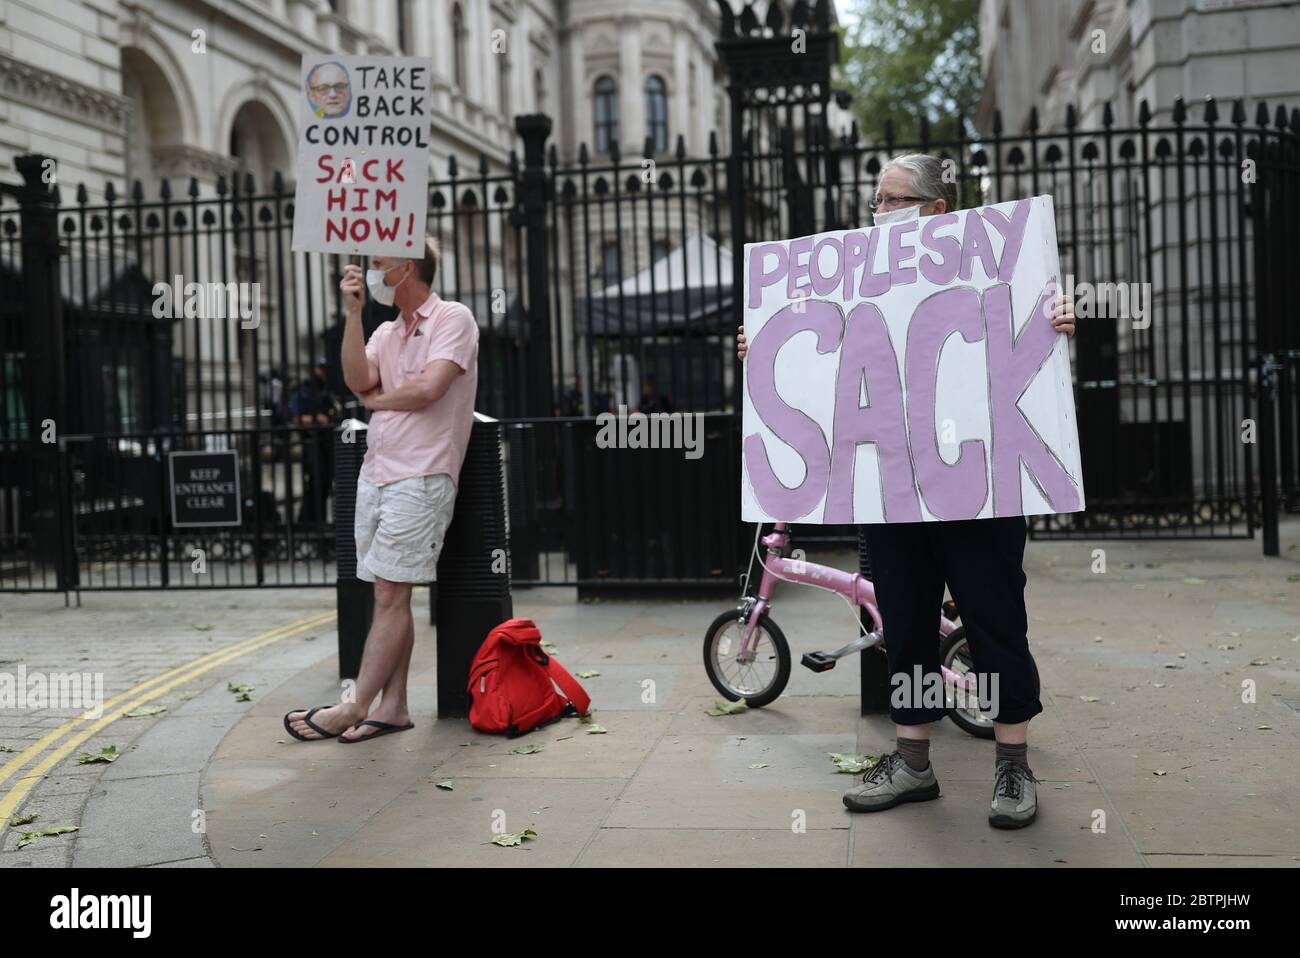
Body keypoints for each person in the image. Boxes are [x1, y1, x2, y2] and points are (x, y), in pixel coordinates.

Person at [735, 153, 1077, 829]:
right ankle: (912, 761)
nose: (880, 212)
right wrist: (766, 339)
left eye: (894, 200)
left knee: (994, 620)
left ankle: (1013, 767)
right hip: (892, 485)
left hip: (977, 488)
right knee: (905, 624)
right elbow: (820, 355)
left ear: (936, 211)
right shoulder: (862, 280)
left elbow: (1023, 359)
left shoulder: (994, 273)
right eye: (877, 202)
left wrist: (1056, 319)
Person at [285, 237, 479, 743]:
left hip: (423, 474)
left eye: (376, 265)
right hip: (377, 472)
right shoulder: (386, 332)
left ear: (406, 268)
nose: (369, 274)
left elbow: (430, 388)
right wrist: (352, 315)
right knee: (390, 591)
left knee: (392, 591)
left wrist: (378, 401)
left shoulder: (452, 318)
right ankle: (393, 707)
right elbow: (356, 379)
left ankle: (352, 707)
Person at [289, 358, 341, 525]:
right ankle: (308, 521)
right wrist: (316, 419)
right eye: (321, 368)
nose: (324, 372)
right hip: (311, 442)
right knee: (315, 483)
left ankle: (319, 521)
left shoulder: (326, 391)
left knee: (325, 483)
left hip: (326, 441)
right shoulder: (302, 390)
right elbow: (295, 418)